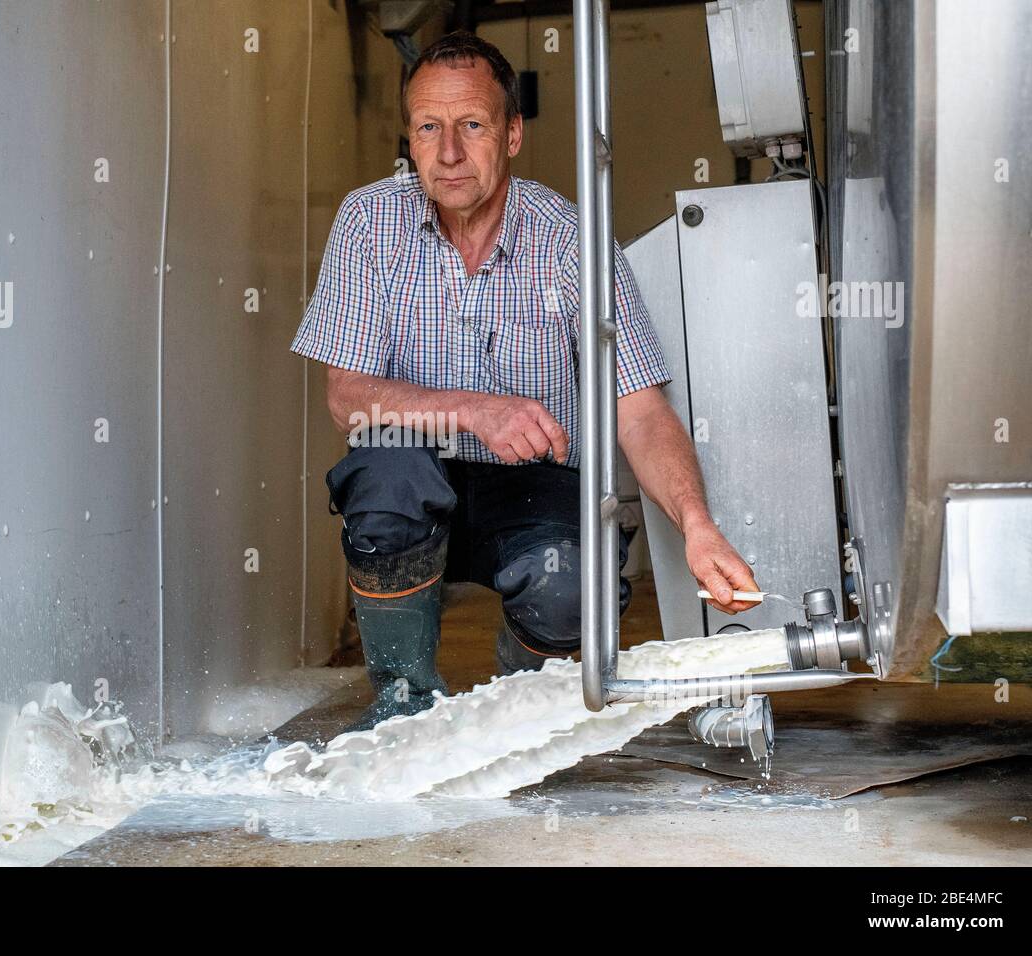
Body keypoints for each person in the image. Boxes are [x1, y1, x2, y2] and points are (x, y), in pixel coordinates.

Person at [291, 31, 759, 732]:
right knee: (384, 468)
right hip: (417, 475)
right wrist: (475, 411)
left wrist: (697, 527)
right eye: (428, 128)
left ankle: (517, 704)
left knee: (575, 581)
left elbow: (638, 409)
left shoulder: (570, 237)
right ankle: (403, 706)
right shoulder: (367, 222)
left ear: (511, 134)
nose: (448, 152)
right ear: (409, 136)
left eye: (471, 125)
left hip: (534, 487)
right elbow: (347, 398)